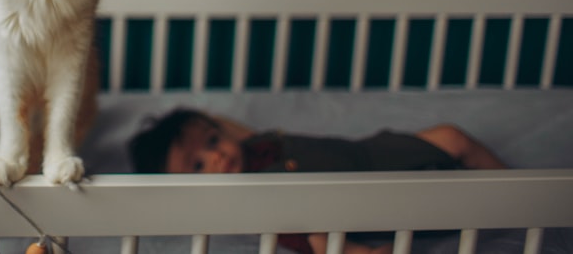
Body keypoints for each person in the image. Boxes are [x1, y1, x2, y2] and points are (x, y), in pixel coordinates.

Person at [128, 108, 508, 254]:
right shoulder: (255, 202)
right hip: (376, 196)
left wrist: (184, 123)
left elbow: (217, 123)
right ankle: (507, 203)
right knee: (445, 204)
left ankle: (515, 187)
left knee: (452, 136)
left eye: (213, 141)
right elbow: (316, 239)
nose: (217, 156)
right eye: (197, 166)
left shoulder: (249, 144)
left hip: (373, 152)